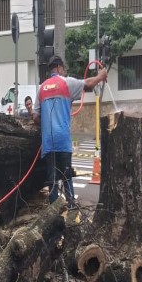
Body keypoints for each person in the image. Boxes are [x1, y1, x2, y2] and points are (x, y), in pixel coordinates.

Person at [33, 55, 107, 207]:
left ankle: (53, 212)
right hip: (63, 140)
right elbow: (89, 84)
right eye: (64, 69)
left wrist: (47, 122)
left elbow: (35, 116)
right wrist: (101, 76)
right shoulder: (66, 83)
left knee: (52, 179)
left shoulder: (41, 88)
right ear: (60, 68)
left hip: (48, 141)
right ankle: (71, 207)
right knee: (66, 177)